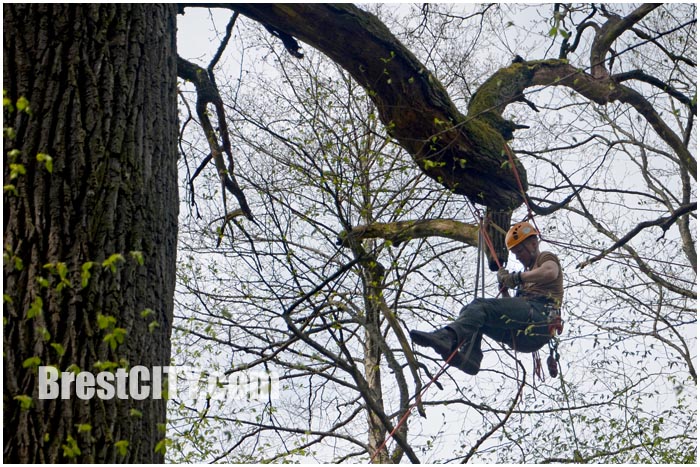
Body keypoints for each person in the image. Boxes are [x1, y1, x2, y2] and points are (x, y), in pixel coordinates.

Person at [409, 222, 564, 375]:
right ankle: (471, 358)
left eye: (519, 252)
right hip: (522, 335)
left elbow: (550, 272)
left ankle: (446, 336)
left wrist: (516, 278)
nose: (518, 258)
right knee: (474, 315)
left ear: (533, 244)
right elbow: (513, 310)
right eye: (515, 254)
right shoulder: (526, 276)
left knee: (480, 305)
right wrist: (505, 292)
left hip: (540, 316)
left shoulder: (544, 257)